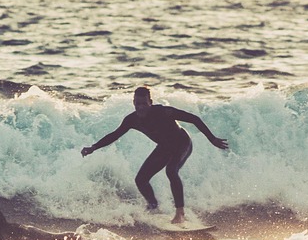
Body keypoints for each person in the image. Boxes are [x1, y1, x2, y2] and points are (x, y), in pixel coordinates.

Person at [81, 86, 228, 224]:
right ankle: (153, 206)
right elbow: (114, 135)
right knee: (141, 179)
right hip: (164, 147)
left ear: (150, 102)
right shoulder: (132, 120)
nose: (141, 107)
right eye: (138, 104)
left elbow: (194, 119)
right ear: (133, 103)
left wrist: (212, 139)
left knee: (171, 170)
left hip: (182, 143)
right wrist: (93, 147)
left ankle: (180, 213)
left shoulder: (164, 112)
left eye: (144, 104)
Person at [0, 209, 80, 240]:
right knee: (53, 238)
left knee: (52, 238)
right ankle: (82, 239)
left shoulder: (3, 232)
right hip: (29, 229)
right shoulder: (3, 230)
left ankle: (82, 239)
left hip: (30, 231)